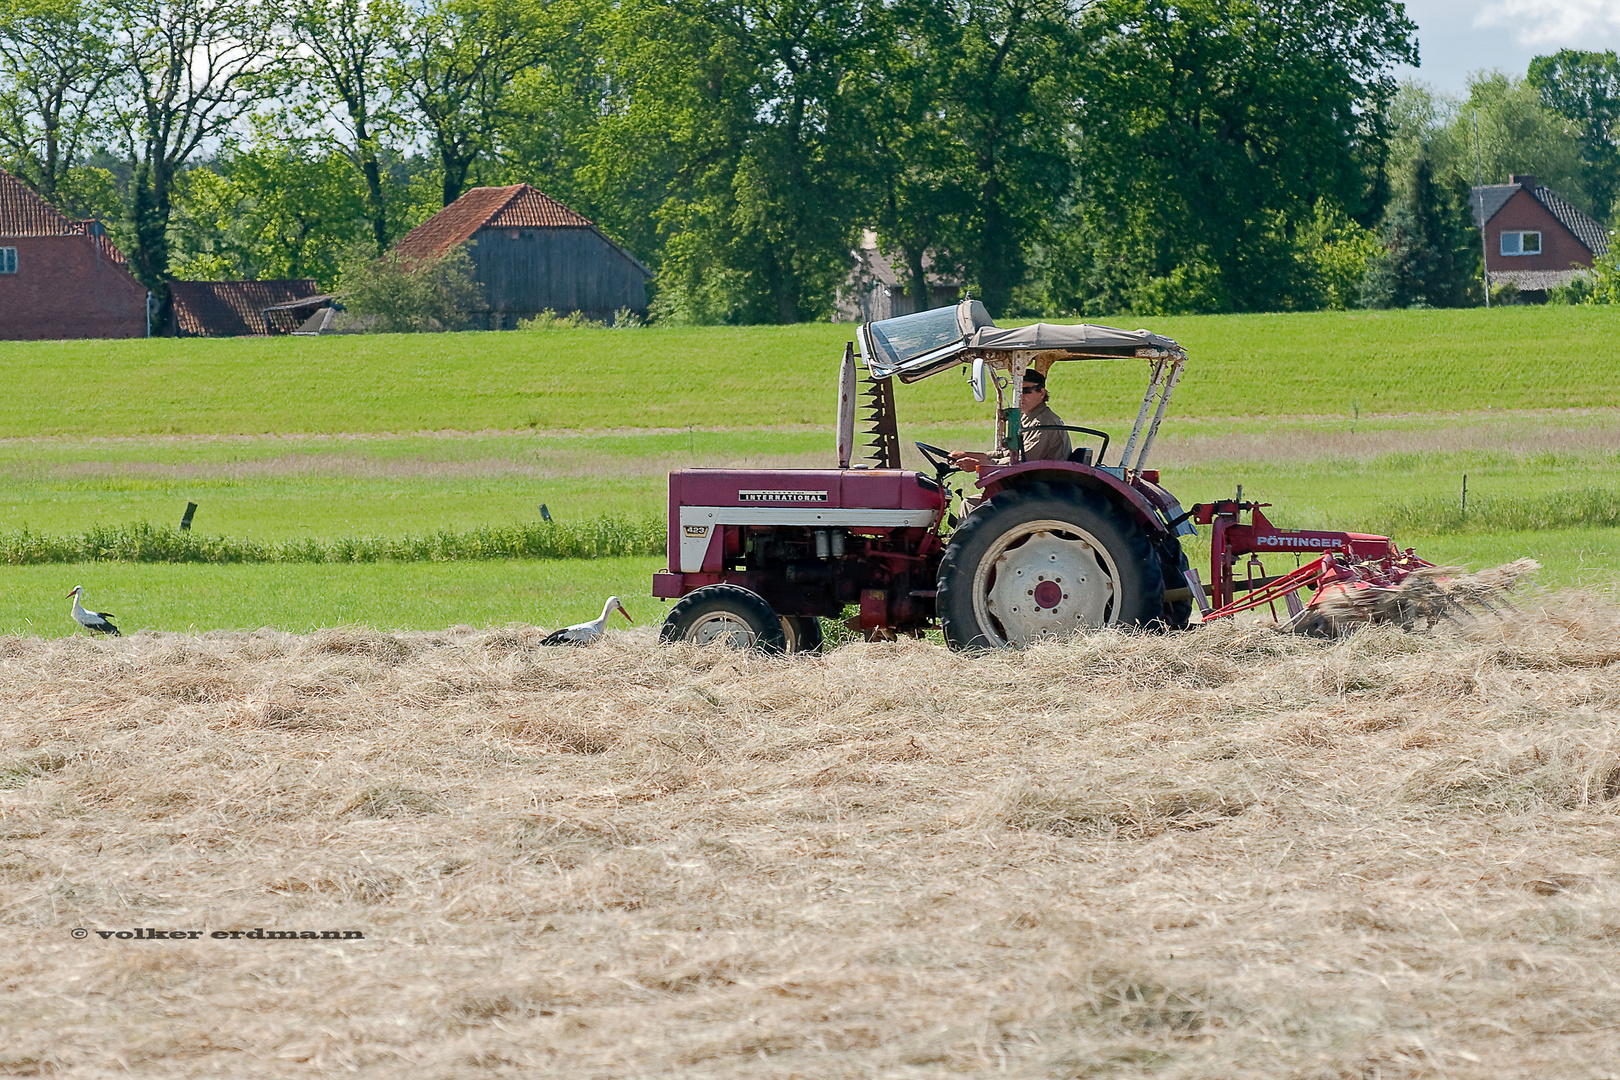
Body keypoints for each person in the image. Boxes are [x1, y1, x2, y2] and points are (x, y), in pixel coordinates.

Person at [948, 368, 1072, 470]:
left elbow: (1022, 460)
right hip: (1034, 480)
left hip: (1044, 484)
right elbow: (1009, 453)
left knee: (971, 501)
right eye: (1017, 390)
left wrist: (978, 465)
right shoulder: (1028, 419)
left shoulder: (1044, 423)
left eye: (1026, 391)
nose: (1020, 396)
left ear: (1042, 393)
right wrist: (967, 455)